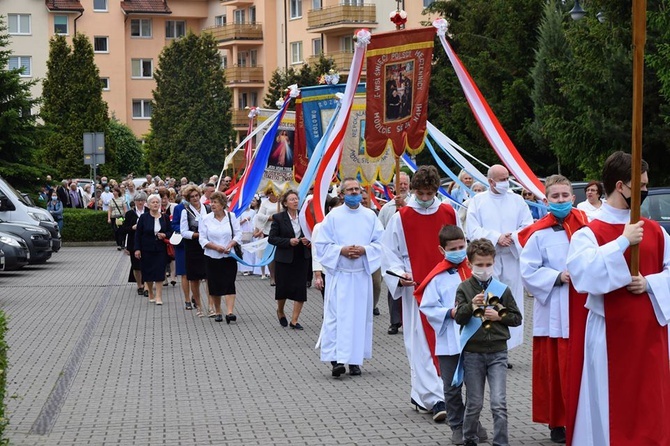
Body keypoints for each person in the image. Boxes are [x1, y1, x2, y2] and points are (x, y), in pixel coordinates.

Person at [566, 151, 670, 446]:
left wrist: (649, 283)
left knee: (652, 404)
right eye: (642, 185)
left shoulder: (657, 231)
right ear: (622, 186)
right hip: (609, 335)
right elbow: (583, 275)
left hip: (651, 334)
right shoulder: (589, 232)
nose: (646, 191)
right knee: (609, 405)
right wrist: (623, 241)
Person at [382, 165, 459, 421]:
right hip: (415, 288)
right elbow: (389, 253)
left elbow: (460, 246)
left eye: (429, 193)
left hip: (446, 288)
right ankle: (436, 399)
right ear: (413, 190)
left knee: (446, 342)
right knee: (421, 344)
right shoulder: (401, 217)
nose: (425, 199)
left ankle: (433, 394)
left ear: (436, 190)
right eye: (421, 194)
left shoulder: (449, 212)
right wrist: (398, 275)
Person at [517, 175, 589, 444]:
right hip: (555, 309)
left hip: (583, 306)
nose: (560, 201)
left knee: (580, 365)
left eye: (564, 196)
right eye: (555, 197)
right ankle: (557, 421)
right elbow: (528, 271)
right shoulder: (539, 233)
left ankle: (580, 418)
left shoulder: (587, 228)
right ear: (546, 201)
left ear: (574, 198)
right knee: (555, 368)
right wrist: (557, 277)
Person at [417, 225, 488, 444]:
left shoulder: (477, 270)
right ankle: (457, 426)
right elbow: (427, 306)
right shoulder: (437, 276)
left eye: (462, 246)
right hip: (449, 339)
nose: (459, 250)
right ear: (442, 250)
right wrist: (449, 312)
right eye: (453, 248)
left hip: (475, 338)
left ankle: (473, 422)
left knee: (475, 388)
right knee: (451, 387)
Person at [454, 238, 522, 446]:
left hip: (498, 352)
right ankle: (469, 439)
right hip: (473, 353)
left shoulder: (502, 289)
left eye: (488, 264)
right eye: (479, 265)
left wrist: (499, 316)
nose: (484, 269)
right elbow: (459, 319)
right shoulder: (464, 288)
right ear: (469, 264)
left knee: (498, 403)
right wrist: (469, 307)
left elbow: (517, 318)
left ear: (494, 262)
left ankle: (501, 442)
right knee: (474, 403)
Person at [315, 178, 383, 377]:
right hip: (341, 276)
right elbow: (322, 245)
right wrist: (341, 250)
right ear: (342, 194)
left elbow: (380, 243)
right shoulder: (333, 216)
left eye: (357, 189)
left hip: (361, 276)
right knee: (336, 319)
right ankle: (336, 360)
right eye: (350, 190)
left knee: (358, 319)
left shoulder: (370, 216)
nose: (355, 193)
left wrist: (365, 250)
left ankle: (355, 361)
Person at [466, 164, 533, 350]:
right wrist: (496, 237)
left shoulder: (517, 201)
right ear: (490, 181)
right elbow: (472, 229)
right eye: (502, 179)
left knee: (510, 299)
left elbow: (528, 225)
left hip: (511, 256)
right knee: (489, 298)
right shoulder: (478, 201)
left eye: (507, 178)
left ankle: (507, 346)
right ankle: (489, 339)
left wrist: (512, 236)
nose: (506, 183)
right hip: (488, 259)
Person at [268, 190, 311, 330]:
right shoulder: (279, 218)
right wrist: (288, 241)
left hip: (301, 256)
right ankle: (280, 311)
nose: (295, 201)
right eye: (292, 199)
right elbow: (272, 238)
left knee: (300, 288)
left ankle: (294, 320)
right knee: (283, 288)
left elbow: (313, 233)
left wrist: (308, 241)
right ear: (285, 203)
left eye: (296, 199)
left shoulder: (304, 217)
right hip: (285, 258)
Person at [199, 192, 242, 324]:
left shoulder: (231, 216)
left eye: (215, 202)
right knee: (215, 284)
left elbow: (238, 233)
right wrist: (215, 247)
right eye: (211, 202)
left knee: (229, 283)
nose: (212, 205)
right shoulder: (205, 219)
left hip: (229, 255)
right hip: (212, 256)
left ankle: (230, 312)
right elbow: (202, 239)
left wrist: (231, 244)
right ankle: (218, 311)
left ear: (223, 204)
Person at [378, 172, 411, 335]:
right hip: (394, 253)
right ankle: (395, 321)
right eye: (400, 184)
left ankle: (411, 320)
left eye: (405, 183)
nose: (402, 186)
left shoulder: (413, 203)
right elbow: (381, 230)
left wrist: (404, 205)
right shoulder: (386, 208)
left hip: (411, 252)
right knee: (395, 286)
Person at [134, 194, 172, 305]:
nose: (155, 204)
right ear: (148, 205)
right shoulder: (144, 217)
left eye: (157, 202)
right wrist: (137, 249)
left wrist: (165, 235)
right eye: (153, 202)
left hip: (160, 249)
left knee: (160, 272)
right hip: (146, 249)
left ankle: (159, 296)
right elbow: (138, 234)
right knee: (148, 272)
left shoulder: (164, 217)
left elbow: (170, 231)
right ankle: (150, 292)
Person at [180, 185, 210, 317]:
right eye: (192, 197)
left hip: (207, 247)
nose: (195, 198)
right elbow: (183, 232)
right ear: (188, 199)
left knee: (209, 277)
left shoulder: (208, 209)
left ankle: (211, 306)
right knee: (194, 279)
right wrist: (197, 235)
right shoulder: (185, 212)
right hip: (193, 248)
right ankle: (198, 306)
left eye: (196, 195)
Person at [254, 187, 281, 283]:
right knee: (270, 254)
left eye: (275, 193)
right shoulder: (265, 203)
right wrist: (271, 218)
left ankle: (280, 276)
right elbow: (259, 216)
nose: (273, 196)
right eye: (271, 194)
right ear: (268, 194)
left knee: (280, 253)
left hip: (281, 231)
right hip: (269, 231)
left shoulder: (281, 201)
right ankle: (272, 276)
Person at [124, 192, 147, 295]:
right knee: (136, 265)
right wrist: (132, 227)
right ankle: (139, 285)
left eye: (142, 200)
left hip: (147, 242)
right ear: (135, 202)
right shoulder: (130, 214)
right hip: (133, 242)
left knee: (147, 265)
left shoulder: (149, 212)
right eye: (138, 200)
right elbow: (124, 229)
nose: (140, 202)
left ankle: (147, 285)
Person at [238, 201, 257, 276]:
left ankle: (251, 268)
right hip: (243, 232)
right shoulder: (240, 212)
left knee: (251, 251)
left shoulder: (253, 212)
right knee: (245, 251)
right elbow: (238, 223)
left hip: (251, 232)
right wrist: (245, 220)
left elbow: (255, 222)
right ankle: (245, 269)